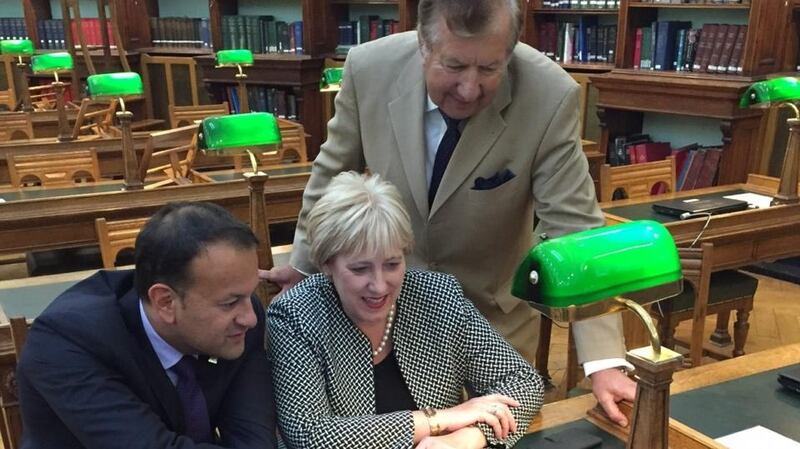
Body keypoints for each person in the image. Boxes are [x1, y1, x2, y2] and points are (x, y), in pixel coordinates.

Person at [265, 0, 635, 426]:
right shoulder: (369, 69)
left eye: (489, 69)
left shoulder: (549, 94)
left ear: (511, 51)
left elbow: (575, 228)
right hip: (385, 305)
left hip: (493, 316)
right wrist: (305, 265)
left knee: (502, 428)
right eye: (454, 66)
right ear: (423, 44)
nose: (469, 89)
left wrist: (604, 360)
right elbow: (332, 172)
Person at [267, 172, 543, 449]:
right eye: (360, 269)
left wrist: (465, 438)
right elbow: (309, 434)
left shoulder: (438, 296)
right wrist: (439, 419)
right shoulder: (295, 315)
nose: (379, 286)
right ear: (326, 264)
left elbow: (523, 382)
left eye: (392, 264)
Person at [17, 202, 277, 449]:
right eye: (229, 303)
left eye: (250, 294)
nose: (251, 318)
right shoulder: (66, 342)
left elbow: (254, 442)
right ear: (165, 302)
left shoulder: (242, 319)